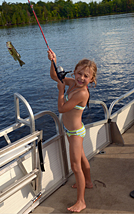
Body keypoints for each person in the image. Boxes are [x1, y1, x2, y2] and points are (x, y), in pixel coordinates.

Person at [48, 48, 97, 213]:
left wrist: (61, 91)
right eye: (79, 74)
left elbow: (61, 108)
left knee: (76, 166)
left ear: (91, 79)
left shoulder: (82, 93)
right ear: (74, 72)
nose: (81, 78)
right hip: (71, 131)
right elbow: (55, 77)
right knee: (82, 159)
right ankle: (88, 182)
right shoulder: (72, 83)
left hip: (75, 133)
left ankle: (81, 201)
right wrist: (52, 61)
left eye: (86, 76)